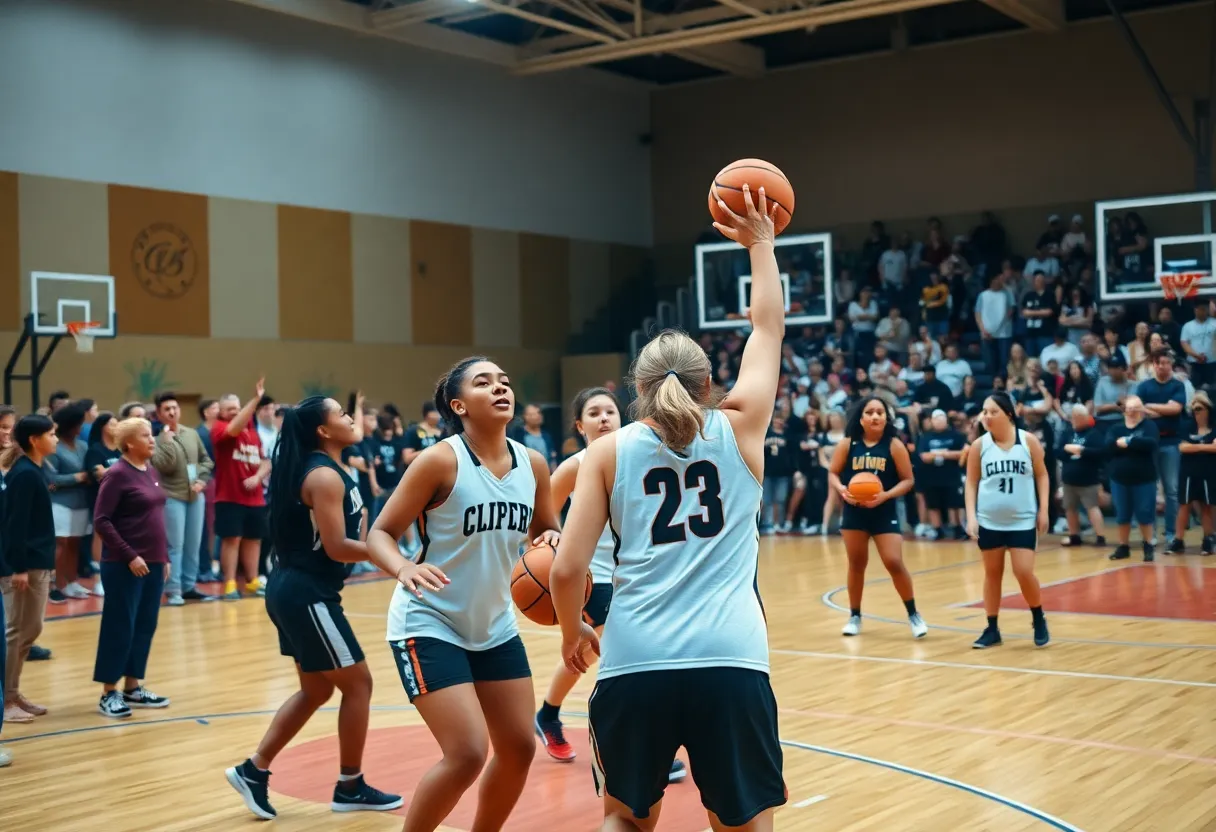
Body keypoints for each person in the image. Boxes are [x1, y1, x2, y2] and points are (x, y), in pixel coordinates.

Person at [551, 184, 787, 832]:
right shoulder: (742, 428)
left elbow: (568, 569)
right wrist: (760, 245)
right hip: (732, 659)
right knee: (744, 823)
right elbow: (767, 327)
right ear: (709, 383)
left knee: (624, 819)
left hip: (634, 660)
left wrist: (573, 635)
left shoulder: (607, 452)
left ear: (635, 389)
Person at [370, 356, 562, 832]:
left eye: (504, 382)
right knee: (467, 753)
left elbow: (546, 533)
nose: (500, 389)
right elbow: (380, 533)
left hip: (495, 624)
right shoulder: (440, 460)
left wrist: (553, 544)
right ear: (459, 405)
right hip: (430, 621)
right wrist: (403, 569)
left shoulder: (533, 465)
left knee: (519, 749)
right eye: (484, 383)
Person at [226, 395, 403, 820]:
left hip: (299, 589)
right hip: (305, 593)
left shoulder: (336, 470)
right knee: (358, 684)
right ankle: (350, 785)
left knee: (318, 689)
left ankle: (254, 770)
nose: (350, 417)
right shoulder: (323, 477)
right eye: (341, 413)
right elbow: (339, 547)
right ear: (323, 431)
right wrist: (398, 561)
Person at [92, 418, 173, 718]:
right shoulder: (117, 474)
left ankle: (133, 686)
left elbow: (154, 520)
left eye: (151, 435)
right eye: (145, 436)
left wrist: (163, 557)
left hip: (152, 563)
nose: (152, 440)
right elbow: (102, 520)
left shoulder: (149, 471)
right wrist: (129, 555)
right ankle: (108, 693)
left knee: (144, 625)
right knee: (120, 626)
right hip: (123, 564)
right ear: (128, 443)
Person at [828, 397, 924, 638]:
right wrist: (843, 491)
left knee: (893, 561)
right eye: (870, 412)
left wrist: (885, 495)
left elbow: (908, 480)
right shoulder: (848, 444)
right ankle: (855, 616)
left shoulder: (894, 445)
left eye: (880, 412)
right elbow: (833, 473)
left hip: (884, 511)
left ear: (886, 417)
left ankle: (913, 614)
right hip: (854, 512)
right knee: (857, 564)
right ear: (860, 419)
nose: (875, 416)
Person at [965, 392, 1050, 649]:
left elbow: (1042, 476)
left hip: (1022, 520)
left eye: (993, 412)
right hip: (990, 521)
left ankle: (1038, 616)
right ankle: (992, 628)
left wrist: (1043, 509)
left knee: (1023, 572)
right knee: (992, 574)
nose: (987, 417)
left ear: (1008, 414)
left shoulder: (1028, 442)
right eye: (985, 412)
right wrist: (971, 516)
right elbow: (971, 483)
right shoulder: (979, 446)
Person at [2, 415, 57, 725]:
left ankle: (13, 691)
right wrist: (19, 567)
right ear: (35, 440)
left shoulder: (34, 471)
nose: (56, 439)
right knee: (17, 631)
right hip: (26, 567)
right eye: (51, 434)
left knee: (30, 630)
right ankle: (6, 698)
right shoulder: (24, 475)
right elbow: (14, 525)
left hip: (39, 562)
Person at [152, 393, 216, 605]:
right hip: (172, 497)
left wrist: (201, 481)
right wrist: (168, 442)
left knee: (193, 544)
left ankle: (189, 586)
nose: (172, 412)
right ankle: (173, 589)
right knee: (174, 545)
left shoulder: (191, 434)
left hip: (196, 495)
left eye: (175, 408)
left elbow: (207, 461)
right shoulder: (156, 440)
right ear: (159, 414)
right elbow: (164, 466)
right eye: (167, 409)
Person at [211, 380, 272, 600]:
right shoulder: (220, 428)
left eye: (237, 408)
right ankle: (229, 583)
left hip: (255, 499)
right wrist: (255, 400)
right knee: (232, 539)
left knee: (254, 539)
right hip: (229, 497)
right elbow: (233, 428)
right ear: (221, 412)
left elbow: (266, 461)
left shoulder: (253, 432)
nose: (235, 412)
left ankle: (253, 581)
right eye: (230, 409)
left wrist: (257, 477)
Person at [45, 403, 97, 602]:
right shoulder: (54, 447)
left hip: (81, 502)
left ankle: (71, 581)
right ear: (68, 425)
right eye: (78, 424)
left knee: (75, 543)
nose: (80, 428)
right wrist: (78, 477)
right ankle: (55, 585)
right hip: (60, 502)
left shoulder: (83, 446)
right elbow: (51, 480)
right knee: (61, 543)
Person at [1106, 395, 1160, 562]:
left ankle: (1147, 545)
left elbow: (1150, 444)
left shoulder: (1149, 426)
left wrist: (1129, 442)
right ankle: (1123, 546)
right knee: (1122, 514)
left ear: (1141, 411)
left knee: (1145, 514)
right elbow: (1109, 446)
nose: (1131, 412)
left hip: (1144, 478)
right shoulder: (1116, 428)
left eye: (1135, 409)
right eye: (1129, 409)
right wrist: (1130, 445)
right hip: (1119, 478)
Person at [1169, 391, 1216, 555]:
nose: (1196, 412)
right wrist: (1205, 446)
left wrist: (1195, 446)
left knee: (1206, 506)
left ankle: (1208, 539)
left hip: (1209, 471)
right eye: (1193, 409)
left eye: (1199, 408)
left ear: (1207, 409)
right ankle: (1178, 540)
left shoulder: (1214, 427)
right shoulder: (1186, 426)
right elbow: (1182, 447)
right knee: (1184, 505)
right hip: (1188, 471)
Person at [1059, 405, 1107, 547]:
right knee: (1069, 508)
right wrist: (1067, 450)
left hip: (1088, 479)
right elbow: (1059, 451)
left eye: (1076, 417)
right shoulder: (1067, 432)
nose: (1073, 420)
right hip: (1069, 478)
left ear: (1084, 418)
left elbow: (1100, 453)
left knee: (1092, 507)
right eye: (1072, 417)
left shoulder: (1094, 434)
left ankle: (1100, 537)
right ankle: (1074, 536)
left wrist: (1082, 450)